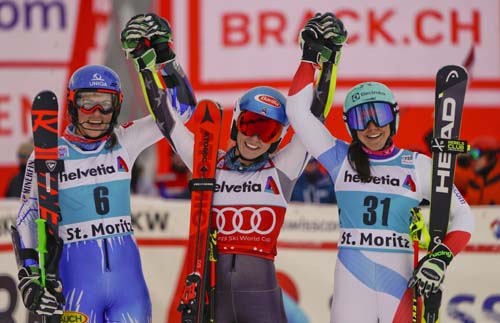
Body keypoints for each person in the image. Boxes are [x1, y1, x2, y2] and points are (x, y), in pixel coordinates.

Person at [121, 12, 347, 323]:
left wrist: (322, 57)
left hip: (263, 301)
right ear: (236, 124)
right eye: (250, 124)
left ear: (277, 139)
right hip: (217, 301)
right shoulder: (206, 164)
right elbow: (168, 122)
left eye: (267, 131)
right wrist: (151, 62)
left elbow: (314, 116)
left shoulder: (282, 169)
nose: (255, 137)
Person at [285, 43, 475, 321]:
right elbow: (298, 113)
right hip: (352, 285)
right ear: (351, 125)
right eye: (362, 118)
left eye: (380, 115)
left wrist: (441, 257)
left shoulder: (418, 164)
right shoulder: (340, 158)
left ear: (394, 118)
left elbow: (464, 215)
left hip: (399, 285)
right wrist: (310, 57)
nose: (372, 126)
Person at [12, 60, 194, 320]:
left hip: (128, 286)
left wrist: (164, 59)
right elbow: (28, 214)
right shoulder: (49, 154)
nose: (96, 113)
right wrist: (28, 274)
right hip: (76, 281)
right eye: (87, 103)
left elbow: (182, 112)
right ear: (73, 104)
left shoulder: (125, 140)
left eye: (105, 104)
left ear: (117, 105)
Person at [459, 135, 500, 205]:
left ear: (490, 156)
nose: (473, 160)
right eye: (470, 155)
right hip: (474, 215)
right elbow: (450, 178)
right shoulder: (472, 176)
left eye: (476, 154)